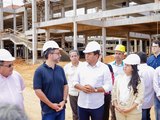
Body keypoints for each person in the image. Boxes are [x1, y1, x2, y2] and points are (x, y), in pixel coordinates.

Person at [73, 41, 112, 120]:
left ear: (96, 55)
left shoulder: (104, 68)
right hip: (82, 104)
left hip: (97, 105)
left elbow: (109, 86)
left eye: (89, 54)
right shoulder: (81, 66)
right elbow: (74, 82)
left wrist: (94, 90)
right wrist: (82, 88)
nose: (86, 56)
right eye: (86, 54)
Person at [33, 40, 68, 120]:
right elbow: (38, 91)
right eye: (58, 53)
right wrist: (51, 105)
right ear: (50, 54)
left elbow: (65, 85)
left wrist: (64, 101)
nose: (60, 55)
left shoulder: (60, 69)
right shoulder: (39, 71)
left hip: (61, 109)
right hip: (48, 112)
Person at [112, 54, 144, 120]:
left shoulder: (139, 81)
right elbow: (114, 93)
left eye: (127, 65)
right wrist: (116, 106)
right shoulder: (118, 78)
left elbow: (140, 98)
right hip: (119, 111)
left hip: (133, 113)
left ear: (133, 68)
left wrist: (129, 109)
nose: (124, 67)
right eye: (125, 64)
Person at [64, 50, 83, 120]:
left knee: (83, 112)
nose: (74, 57)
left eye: (75, 56)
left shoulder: (84, 66)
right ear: (70, 58)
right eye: (72, 56)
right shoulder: (66, 67)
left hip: (82, 92)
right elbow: (64, 81)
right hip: (72, 93)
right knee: (75, 113)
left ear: (78, 57)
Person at [109, 44, 125, 120]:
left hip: (124, 94)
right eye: (116, 53)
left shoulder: (127, 65)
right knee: (113, 114)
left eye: (119, 53)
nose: (117, 55)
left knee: (123, 113)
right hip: (112, 93)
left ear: (123, 55)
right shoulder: (109, 66)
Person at [137, 52, 155, 120]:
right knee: (147, 114)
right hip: (150, 98)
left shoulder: (137, 70)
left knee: (143, 116)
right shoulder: (152, 70)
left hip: (139, 99)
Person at [147, 40, 160, 120]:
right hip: (152, 86)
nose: (153, 48)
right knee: (156, 107)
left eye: (155, 46)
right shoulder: (149, 59)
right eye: (152, 46)